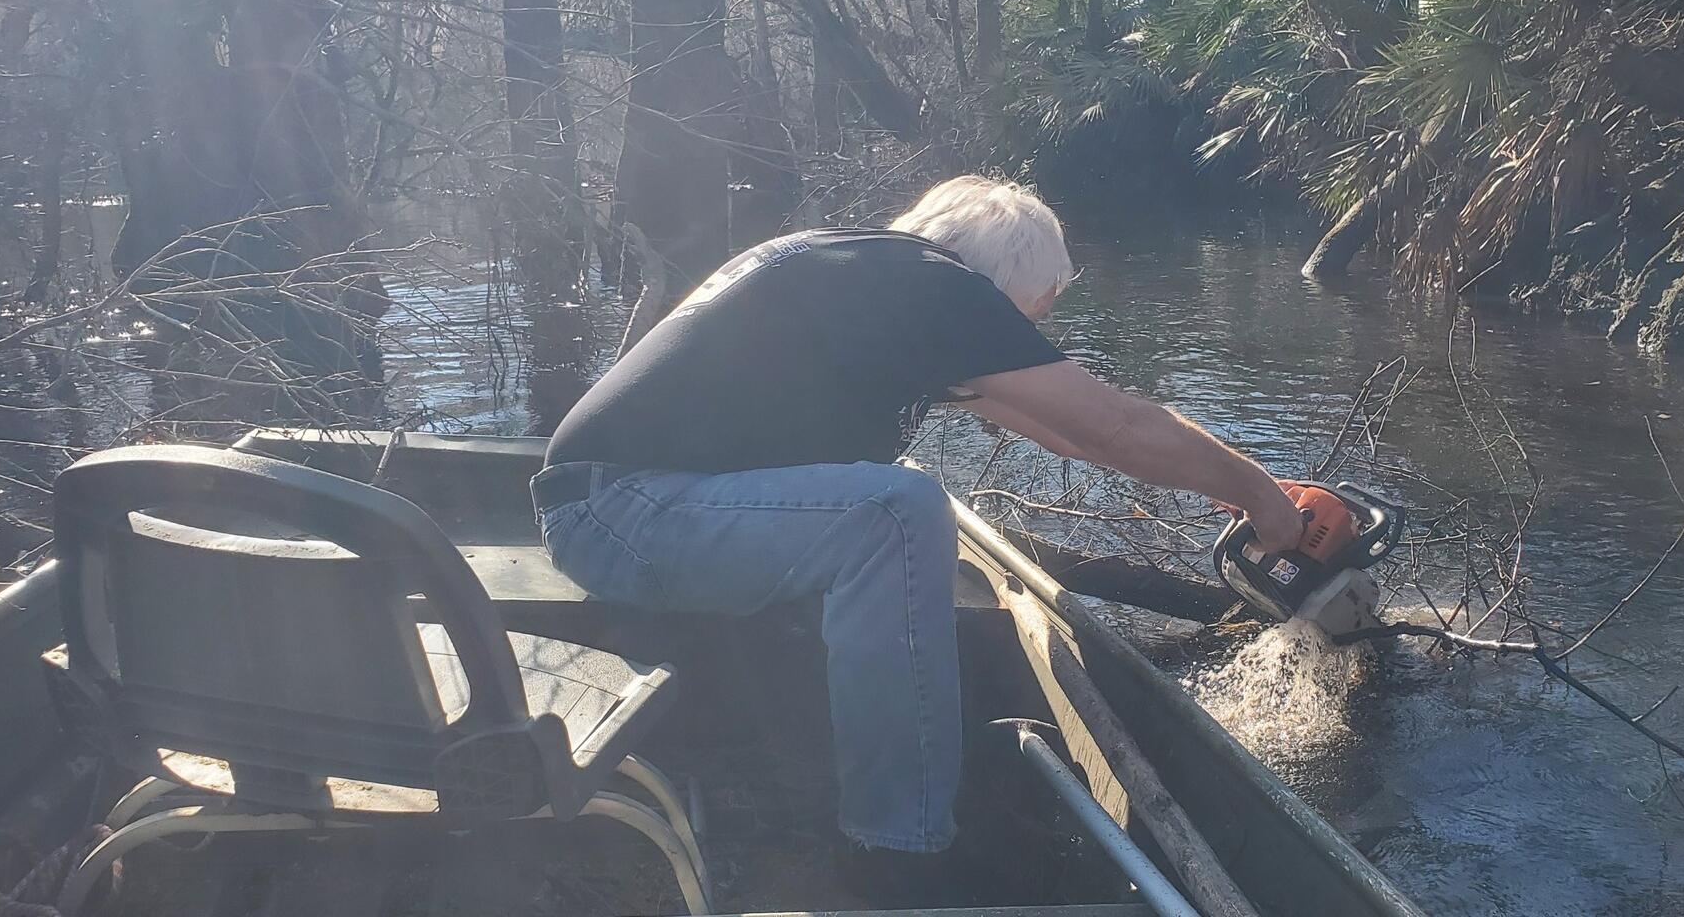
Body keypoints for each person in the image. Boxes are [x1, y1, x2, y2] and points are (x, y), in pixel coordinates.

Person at [532, 175, 1304, 857]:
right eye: (1035, 313)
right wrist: (1268, 501)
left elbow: (1075, 432)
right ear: (1001, 279)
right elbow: (1114, 426)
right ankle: (898, 837)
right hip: (622, 515)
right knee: (899, 511)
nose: (1032, 334)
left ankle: (858, 780)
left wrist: (1233, 483)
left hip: (628, 510)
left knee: (890, 496)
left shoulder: (868, 275)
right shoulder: (934, 286)